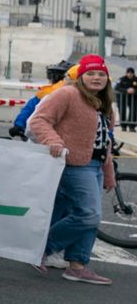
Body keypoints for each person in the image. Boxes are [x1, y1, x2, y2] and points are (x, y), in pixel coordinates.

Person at [28, 54, 118, 285]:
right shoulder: (67, 94)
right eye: (91, 73)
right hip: (74, 164)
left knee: (90, 217)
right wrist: (54, 141)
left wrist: (109, 173)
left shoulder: (105, 103)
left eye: (101, 74)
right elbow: (38, 120)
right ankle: (41, 249)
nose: (97, 78)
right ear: (81, 76)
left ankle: (77, 266)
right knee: (88, 215)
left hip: (95, 164)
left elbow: (104, 140)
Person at [116, 67, 136, 132]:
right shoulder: (121, 79)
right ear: (126, 73)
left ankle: (132, 127)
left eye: (131, 73)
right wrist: (126, 90)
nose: (130, 74)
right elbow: (117, 88)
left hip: (133, 99)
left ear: (133, 73)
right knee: (122, 111)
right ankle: (123, 126)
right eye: (128, 73)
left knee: (134, 111)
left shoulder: (136, 80)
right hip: (122, 99)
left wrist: (134, 91)